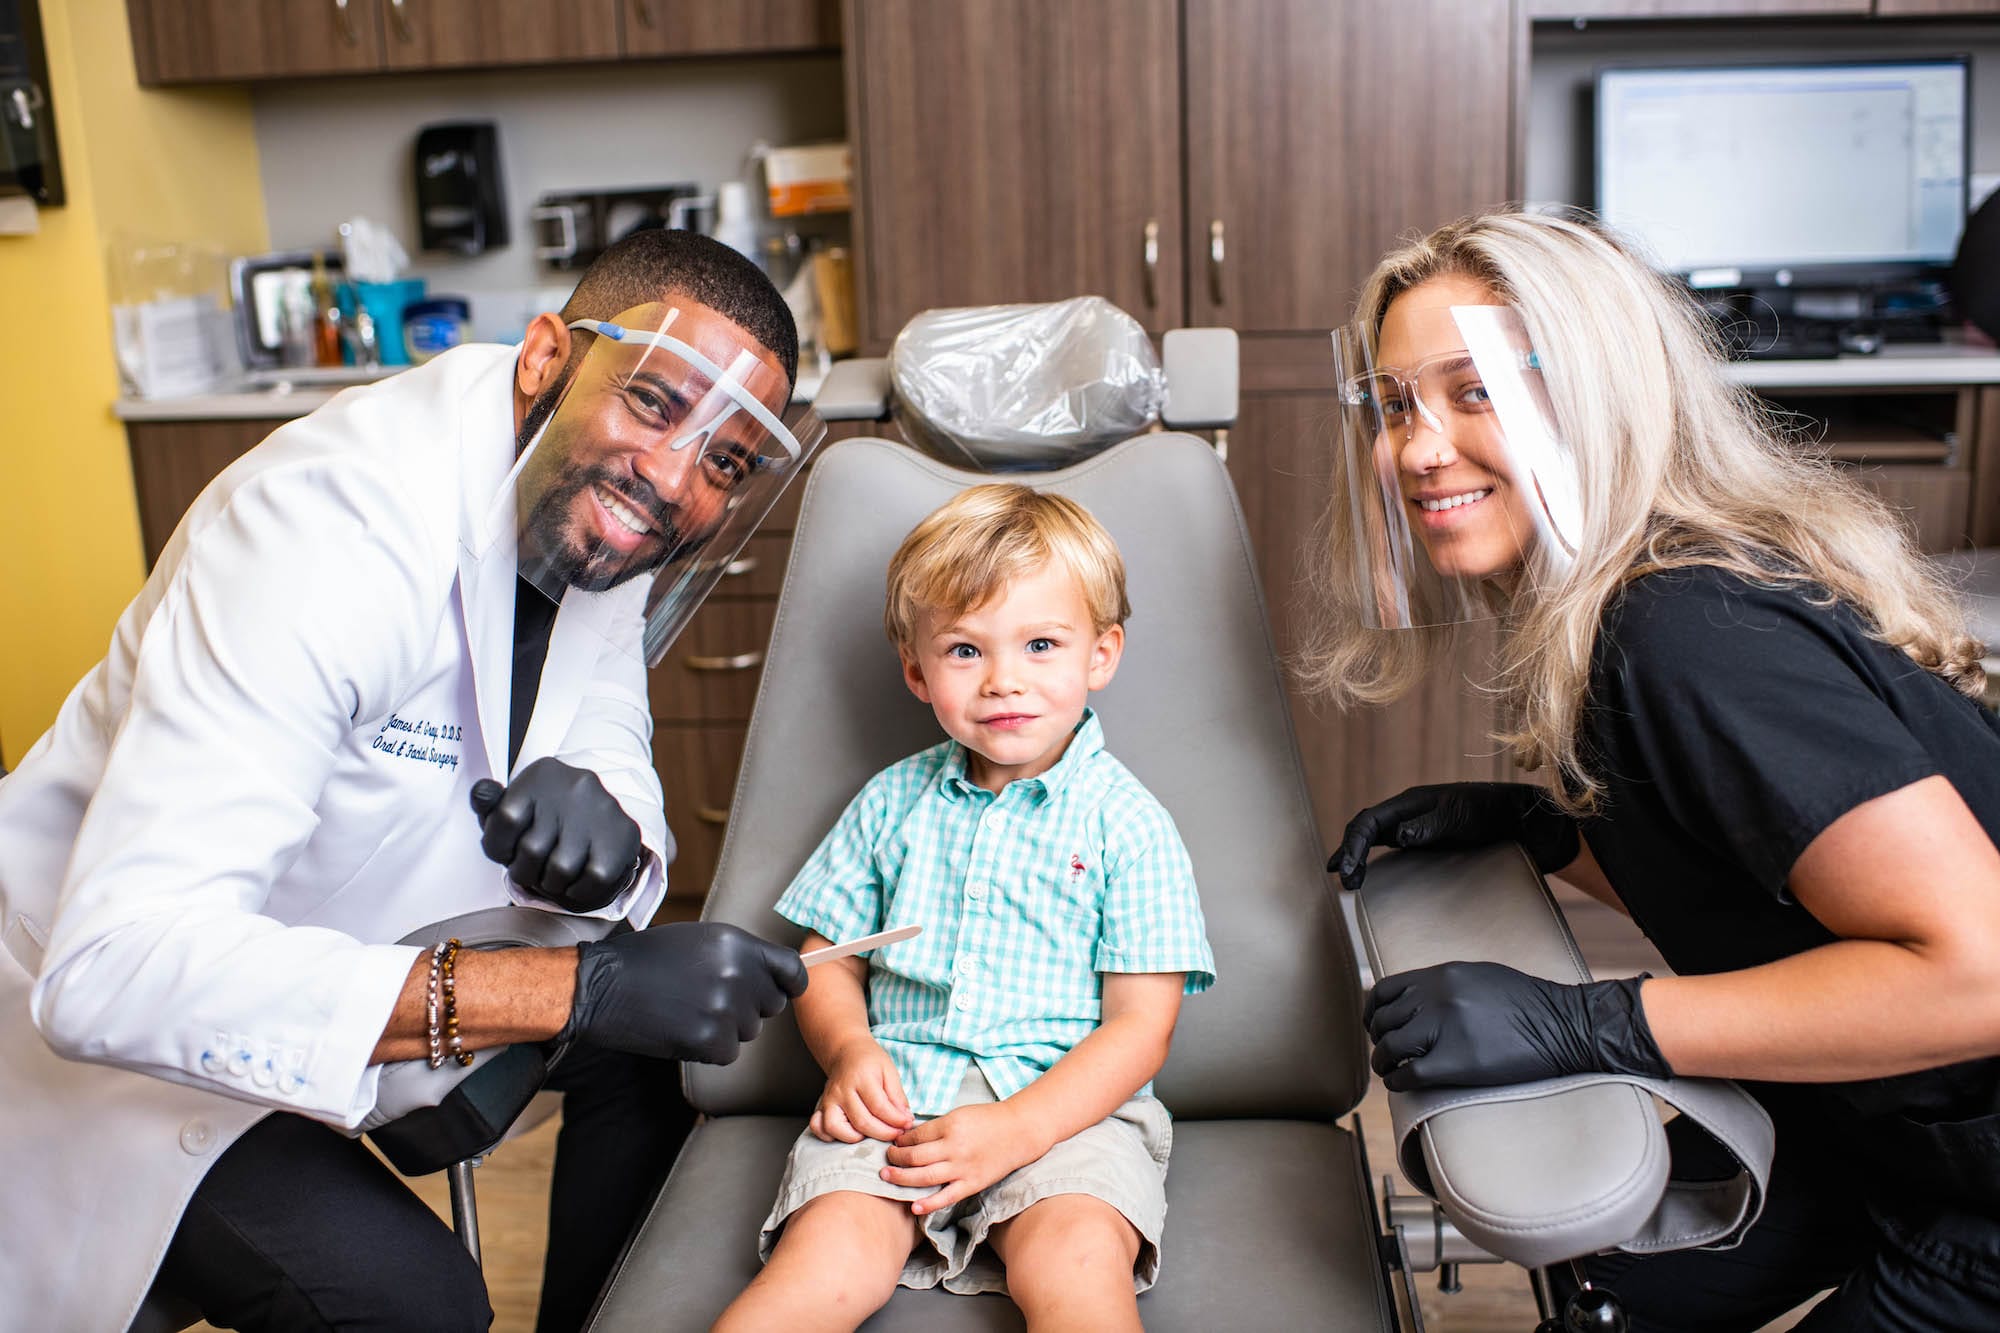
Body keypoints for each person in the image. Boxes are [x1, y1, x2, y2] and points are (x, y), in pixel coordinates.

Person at [0, 228, 817, 1333]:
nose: (672, 478)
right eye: (655, 406)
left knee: (648, 1065)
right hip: (121, 1064)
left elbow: (610, 718)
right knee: (419, 1305)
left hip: (344, 955)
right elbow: (114, 972)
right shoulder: (325, 530)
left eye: (723, 461)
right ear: (544, 356)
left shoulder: (598, 505)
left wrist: (609, 833)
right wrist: (575, 990)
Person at [1313, 210, 2000, 1329]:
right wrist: (1553, 836)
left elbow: (1978, 972)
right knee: (1610, 1297)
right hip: (1883, 1119)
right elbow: (1764, 887)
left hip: (1974, 1183)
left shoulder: (1682, 629)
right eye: (1393, 406)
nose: (1416, 448)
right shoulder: (1633, 601)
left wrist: (1587, 1024)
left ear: (1595, 392)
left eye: (1472, 390)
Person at [712, 484, 1215, 1333]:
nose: (1004, 680)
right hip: (896, 1109)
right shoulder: (887, 803)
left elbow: (1140, 1030)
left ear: (1101, 653)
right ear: (917, 670)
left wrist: (1019, 1128)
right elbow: (825, 958)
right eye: (964, 650)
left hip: (1067, 1115)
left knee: (1080, 1265)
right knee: (819, 1265)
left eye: (1041, 643)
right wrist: (849, 1050)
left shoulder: (1132, 824)